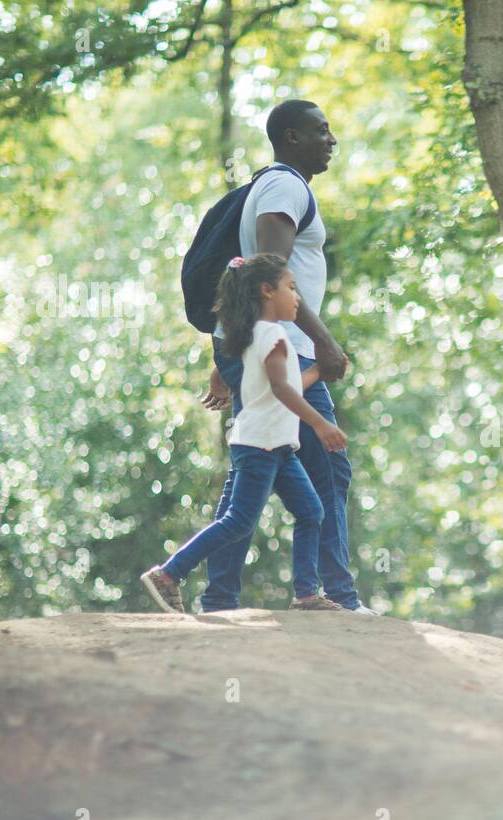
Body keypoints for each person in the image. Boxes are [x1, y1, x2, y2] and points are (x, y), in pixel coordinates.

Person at [200, 99, 378, 615]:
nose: (332, 139)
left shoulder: (278, 186)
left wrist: (228, 352)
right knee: (327, 464)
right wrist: (324, 341)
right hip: (290, 351)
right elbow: (268, 270)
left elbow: (252, 277)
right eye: (321, 131)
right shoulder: (284, 186)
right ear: (292, 138)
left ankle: (218, 598)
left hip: (264, 346)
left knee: (254, 467)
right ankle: (336, 596)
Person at [142, 254, 348, 614]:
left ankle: (305, 594)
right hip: (260, 446)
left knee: (311, 511)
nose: (298, 298)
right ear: (267, 291)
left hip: (277, 445)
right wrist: (320, 423)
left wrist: (316, 370)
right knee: (238, 520)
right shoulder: (273, 335)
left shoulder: (259, 334)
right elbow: (284, 391)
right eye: (291, 288)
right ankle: (168, 574)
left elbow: (285, 386)